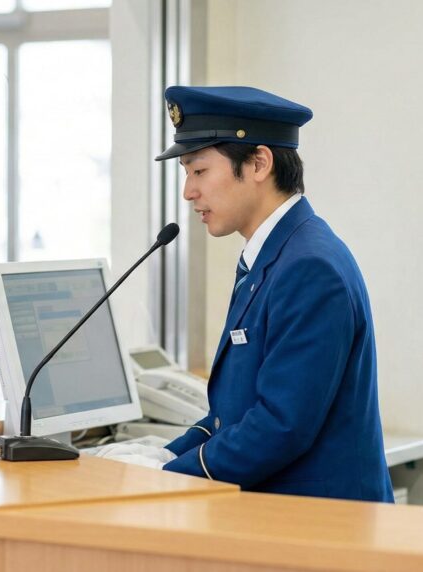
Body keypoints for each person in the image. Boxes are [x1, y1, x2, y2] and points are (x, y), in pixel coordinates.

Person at [156, 86, 394, 502]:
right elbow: (231, 413)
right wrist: (156, 457)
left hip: (324, 532)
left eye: (198, 171)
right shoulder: (275, 253)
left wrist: (166, 476)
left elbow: (280, 425)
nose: (188, 192)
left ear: (259, 163)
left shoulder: (308, 267)